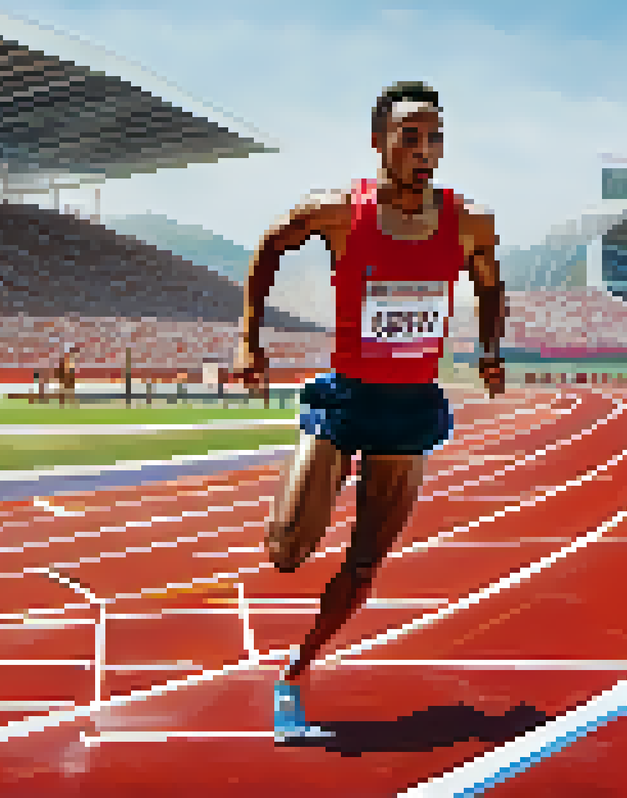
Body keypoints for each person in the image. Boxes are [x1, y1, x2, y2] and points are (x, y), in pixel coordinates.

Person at [232, 81, 506, 741]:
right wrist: (248, 338)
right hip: (347, 399)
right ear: (378, 140)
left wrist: (491, 349)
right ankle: (322, 483)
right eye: (409, 135)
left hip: (408, 410)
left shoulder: (470, 221)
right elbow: (269, 247)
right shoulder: (336, 211)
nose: (424, 149)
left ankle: (296, 670)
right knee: (287, 551)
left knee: (363, 564)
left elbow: (491, 283)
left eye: (434, 136)